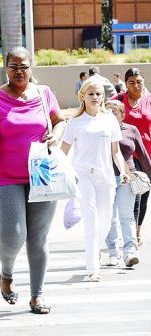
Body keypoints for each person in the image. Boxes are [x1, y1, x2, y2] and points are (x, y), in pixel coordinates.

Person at [0, 47, 66, 314]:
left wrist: (58, 135)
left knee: (38, 237)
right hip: (6, 177)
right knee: (13, 234)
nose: (19, 72)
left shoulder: (43, 93)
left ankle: (37, 295)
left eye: (23, 66)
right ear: (6, 68)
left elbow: (59, 121)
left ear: (31, 67)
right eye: (13, 67)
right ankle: (6, 273)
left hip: (42, 174)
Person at [61, 78, 129, 282]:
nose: (95, 97)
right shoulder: (74, 122)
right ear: (82, 96)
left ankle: (95, 251)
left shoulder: (109, 120)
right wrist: (64, 173)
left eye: (99, 94)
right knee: (90, 220)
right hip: (83, 176)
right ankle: (93, 267)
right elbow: (64, 151)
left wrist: (123, 170)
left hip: (106, 176)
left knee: (106, 221)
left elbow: (115, 151)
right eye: (91, 93)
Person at [104, 100, 151, 268]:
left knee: (126, 214)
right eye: (107, 111)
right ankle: (113, 252)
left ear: (122, 114)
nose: (110, 115)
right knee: (110, 217)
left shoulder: (131, 130)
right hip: (105, 179)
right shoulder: (100, 130)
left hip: (127, 177)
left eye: (114, 112)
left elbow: (143, 154)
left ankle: (129, 252)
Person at [114, 67, 151, 247]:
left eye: (139, 82)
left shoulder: (149, 100)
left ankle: (137, 229)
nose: (136, 85)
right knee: (132, 194)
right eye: (131, 82)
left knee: (143, 193)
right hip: (126, 154)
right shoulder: (118, 100)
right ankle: (128, 233)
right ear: (125, 84)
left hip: (146, 153)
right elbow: (101, 111)